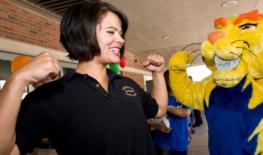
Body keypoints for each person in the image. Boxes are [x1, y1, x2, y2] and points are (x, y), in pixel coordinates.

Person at [0, 1, 167, 155]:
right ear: (83, 33)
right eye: (111, 32)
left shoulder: (127, 84)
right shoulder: (49, 97)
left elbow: (159, 110)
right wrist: (17, 79)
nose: (121, 40)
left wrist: (158, 73)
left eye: (121, 34)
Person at [153, 70, 191, 155]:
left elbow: (186, 112)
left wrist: (165, 107)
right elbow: (149, 118)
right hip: (163, 143)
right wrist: (157, 126)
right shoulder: (160, 97)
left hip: (181, 143)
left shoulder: (184, 96)